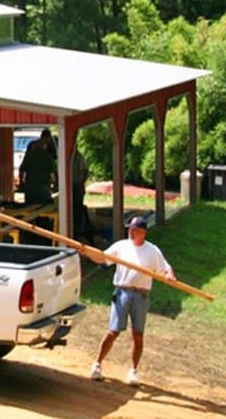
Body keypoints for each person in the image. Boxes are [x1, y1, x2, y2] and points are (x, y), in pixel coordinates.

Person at [85, 216, 176, 386]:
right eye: (130, 229)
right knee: (113, 331)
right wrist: (87, 252)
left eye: (135, 230)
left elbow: (166, 268)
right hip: (122, 292)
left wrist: (169, 275)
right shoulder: (121, 246)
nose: (131, 233)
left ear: (143, 233)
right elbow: (103, 258)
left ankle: (133, 371)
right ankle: (97, 364)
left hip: (141, 295)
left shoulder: (152, 250)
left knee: (138, 334)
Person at [18, 135, 56, 204]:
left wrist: (21, 182)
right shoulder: (48, 158)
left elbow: (21, 170)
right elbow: (53, 173)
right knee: (44, 207)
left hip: (30, 187)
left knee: (29, 207)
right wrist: (54, 184)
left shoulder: (29, 156)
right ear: (45, 147)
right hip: (44, 187)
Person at [72, 147, 94, 245]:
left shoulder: (79, 157)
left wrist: (81, 183)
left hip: (77, 185)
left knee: (78, 209)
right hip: (71, 185)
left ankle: (77, 231)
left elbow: (85, 171)